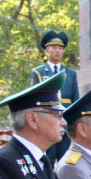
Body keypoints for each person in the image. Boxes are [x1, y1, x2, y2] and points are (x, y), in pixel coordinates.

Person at [29, 30, 80, 164]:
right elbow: (32, 101)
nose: (57, 51)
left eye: (60, 48)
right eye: (53, 47)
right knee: (47, 159)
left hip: (66, 124)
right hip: (47, 122)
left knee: (67, 160)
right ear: (47, 49)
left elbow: (76, 100)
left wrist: (74, 124)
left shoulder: (71, 73)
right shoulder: (38, 73)